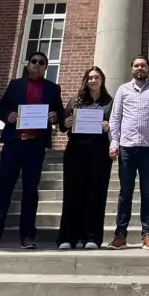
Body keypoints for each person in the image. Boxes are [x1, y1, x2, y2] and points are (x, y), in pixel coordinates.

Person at [0, 51, 64, 249]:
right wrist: (8, 115)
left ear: (45, 67)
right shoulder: (15, 85)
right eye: (34, 61)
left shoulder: (52, 88)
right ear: (28, 65)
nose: (37, 65)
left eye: (42, 63)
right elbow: (1, 108)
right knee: (4, 189)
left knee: (30, 191)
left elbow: (58, 110)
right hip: (14, 143)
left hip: (36, 145)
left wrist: (55, 116)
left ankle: (27, 236)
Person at [107, 55, 149, 251]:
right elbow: (115, 117)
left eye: (143, 65)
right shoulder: (123, 90)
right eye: (136, 65)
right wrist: (114, 142)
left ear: (148, 68)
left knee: (147, 192)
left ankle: (148, 233)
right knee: (125, 192)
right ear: (131, 69)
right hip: (126, 147)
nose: (139, 68)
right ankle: (120, 234)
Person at [56, 66, 113, 250]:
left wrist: (108, 126)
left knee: (96, 196)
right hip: (76, 153)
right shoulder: (76, 101)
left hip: (99, 155)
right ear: (85, 80)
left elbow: (116, 125)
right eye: (90, 77)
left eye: (97, 77)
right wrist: (66, 122)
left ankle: (92, 238)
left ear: (102, 80)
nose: (93, 80)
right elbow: (62, 126)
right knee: (72, 195)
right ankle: (68, 237)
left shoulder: (109, 102)